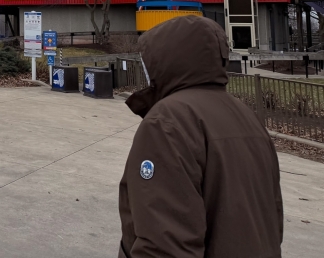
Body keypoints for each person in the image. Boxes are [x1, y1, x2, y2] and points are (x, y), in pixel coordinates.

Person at [118, 15, 283, 258]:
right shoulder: (245, 114)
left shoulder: (167, 121)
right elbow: (273, 215)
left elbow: (165, 243)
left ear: (166, 60)